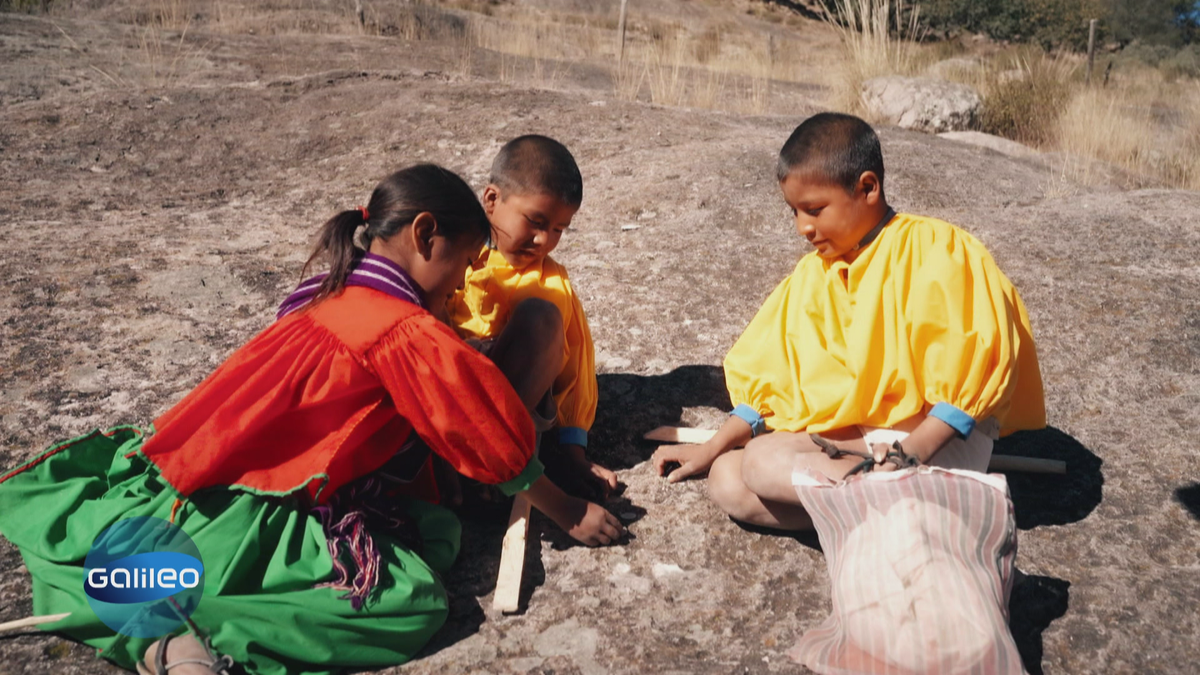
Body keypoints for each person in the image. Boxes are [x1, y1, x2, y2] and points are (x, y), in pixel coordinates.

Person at [0, 164, 624, 675]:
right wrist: (566, 509)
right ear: (424, 235)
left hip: (193, 473)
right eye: (461, 266)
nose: (461, 286)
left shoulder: (330, 290)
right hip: (259, 506)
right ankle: (181, 632)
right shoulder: (402, 330)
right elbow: (487, 438)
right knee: (412, 603)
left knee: (434, 527)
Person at [652, 113, 1046, 530]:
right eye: (795, 212)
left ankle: (900, 498)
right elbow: (773, 377)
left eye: (815, 209)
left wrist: (906, 456)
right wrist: (712, 446)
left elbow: (972, 372)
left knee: (763, 464)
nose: (804, 227)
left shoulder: (937, 249)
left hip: (938, 441)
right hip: (862, 441)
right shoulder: (814, 275)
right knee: (727, 480)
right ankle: (901, 514)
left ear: (868, 187)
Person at [447, 135, 618, 498]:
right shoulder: (451, 254)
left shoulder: (550, 281)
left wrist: (573, 452)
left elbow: (577, 367)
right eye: (536, 221)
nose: (544, 241)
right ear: (492, 200)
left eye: (558, 229)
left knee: (542, 317)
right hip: (444, 397)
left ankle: (497, 468)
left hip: (510, 413)